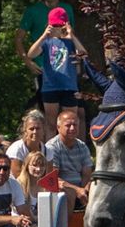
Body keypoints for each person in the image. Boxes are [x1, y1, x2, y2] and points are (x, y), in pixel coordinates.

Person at [16, 0, 76, 109]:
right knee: (45, 109)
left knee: (72, 112)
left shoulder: (67, 9)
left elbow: (70, 36)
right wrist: (28, 62)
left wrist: (77, 65)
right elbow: (19, 38)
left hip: (65, 69)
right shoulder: (32, 11)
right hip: (42, 67)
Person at [27, 7, 88, 137]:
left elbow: (83, 54)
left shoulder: (70, 42)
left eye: (59, 25)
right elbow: (31, 54)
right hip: (50, 88)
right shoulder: (46, 42)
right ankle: (50, 154)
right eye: (54, 25)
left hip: (69, 87)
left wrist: (72, 36)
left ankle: (72, 151)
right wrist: (43, 36)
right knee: (51, 124)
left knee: (71, 122)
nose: (57, 28)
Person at [45, 109, 93, 206]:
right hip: (63, 190)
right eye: (68, 125)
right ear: (58, 127)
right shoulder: (52, 147)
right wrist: (77, 190)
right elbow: (53, 178)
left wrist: (84, 190)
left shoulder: (82, 146)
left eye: (75, 125)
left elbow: (87, 174)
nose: (72, 128)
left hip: (81, 189)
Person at [8, 110, 47, 176]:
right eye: (31, 129)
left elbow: (48, 177)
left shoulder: (47, 151)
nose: (35, 132)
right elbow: (18, 178)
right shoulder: (16, 150)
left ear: (43, 130)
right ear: (25, 131)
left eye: (38, 128)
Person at [17, 150, 54, 214]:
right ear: (27, 166)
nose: (38, 169)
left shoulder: (47, 185)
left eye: (42, 165)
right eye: (34, 165)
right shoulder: (19, 184)